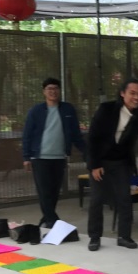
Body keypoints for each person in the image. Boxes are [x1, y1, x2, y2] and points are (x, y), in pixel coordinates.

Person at [85, 78, 138, 251]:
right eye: (132, 93)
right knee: (97, 199)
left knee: (124, 199)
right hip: (101, 161)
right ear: (122, 93)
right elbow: (93, 138)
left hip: (121, 162)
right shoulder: (106, 109)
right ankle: (94, 237)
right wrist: (94, 165)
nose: (136, 97)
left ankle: (124, 236)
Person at [22, 77, 86, 228]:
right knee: (44, 191)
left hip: (59, 157)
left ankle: (46, 219)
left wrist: (87, 152)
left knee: (54, 191)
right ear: (44, 92)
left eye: (55, 88)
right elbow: (27, 135)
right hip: (40, 157)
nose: (53, 91)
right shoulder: (36, 111)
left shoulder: (68, 109)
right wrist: (26, 157)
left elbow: (76, 134)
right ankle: (53, 221)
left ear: (60, 91)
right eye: (49, 89)